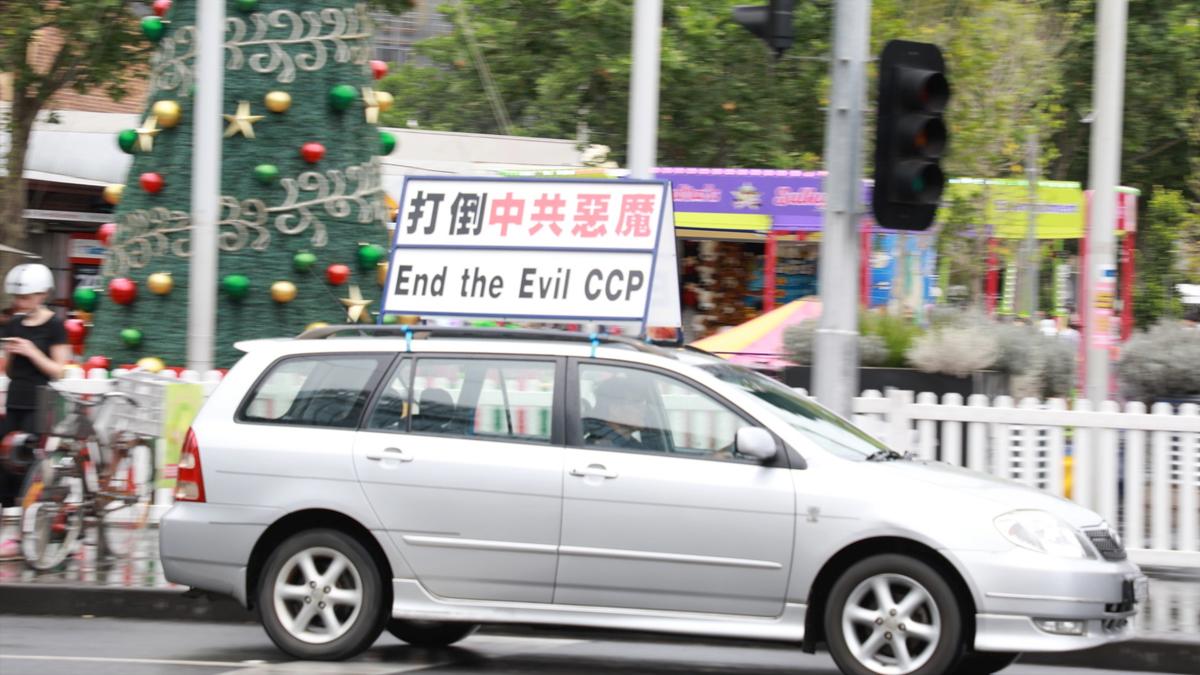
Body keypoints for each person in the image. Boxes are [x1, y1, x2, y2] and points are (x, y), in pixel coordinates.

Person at [1, 263, 70, 560]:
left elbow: (59, 370)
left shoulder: (54, 325)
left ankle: (25, 532)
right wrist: (9, 354)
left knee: (28, 464)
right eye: (17, 297)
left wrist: (31, 351)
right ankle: (9, 528)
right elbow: (8, 369)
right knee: (5, 463)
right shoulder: (13, 324)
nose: (20, 302)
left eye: (26, 297)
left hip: (40, 403)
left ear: (42, 294)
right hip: (14, 401)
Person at [583, 377, 662, 451]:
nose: (644, 409)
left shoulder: (625, 442)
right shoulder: (605, 449)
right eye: (636, 403)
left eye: (642, 403)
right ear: (615, 409)